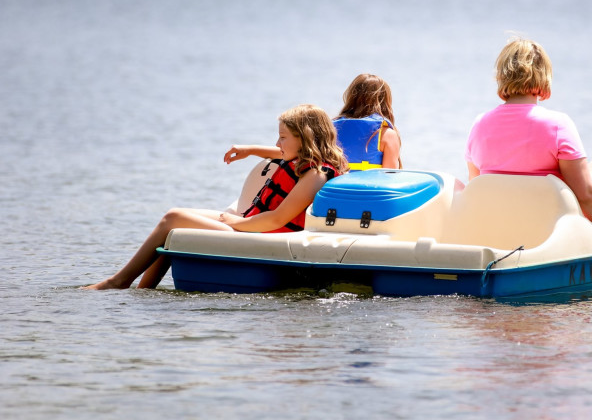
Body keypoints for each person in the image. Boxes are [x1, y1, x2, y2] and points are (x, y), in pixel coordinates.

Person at [83, 104, 348, 290]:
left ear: (305, 139)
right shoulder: (307, 158)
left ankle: (119, 282)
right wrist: (250, 150)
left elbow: (278, 218)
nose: (277, 144)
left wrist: (232, 222)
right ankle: (142, 292)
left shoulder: (316, 173)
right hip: (253, 223)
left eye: (282, 137)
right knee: (176, 221)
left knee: (174, 217)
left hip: (264, 232)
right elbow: (282, 153)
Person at [465, 38, 592, 244]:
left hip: (503, 228)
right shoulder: (557, 124)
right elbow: (585, 194)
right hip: (556, 232)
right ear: (543, 77)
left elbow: (476, 187)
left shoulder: (479, 125)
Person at [226, 74, 401, 171]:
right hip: (370, 200)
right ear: (385, 101)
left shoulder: (330, 128)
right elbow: (390, 178)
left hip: (332, 196)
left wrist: (249, 150)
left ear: (351, 98)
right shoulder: (387, 135)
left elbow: (294, 153)